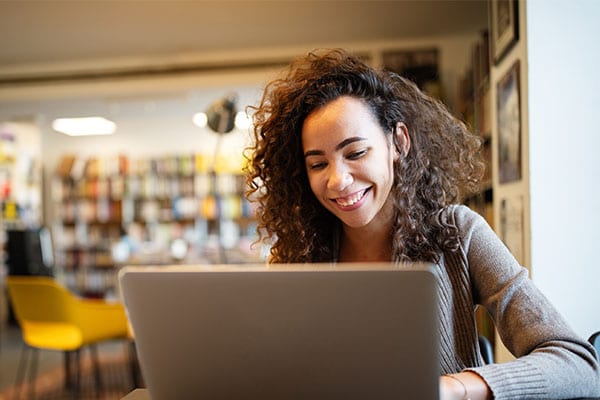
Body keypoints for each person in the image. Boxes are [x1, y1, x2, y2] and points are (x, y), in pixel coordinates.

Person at [244, 48, 600, 399]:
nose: (338, 181)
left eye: (355, 153)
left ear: (398, 142)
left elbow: (578, 364)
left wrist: (455, 388)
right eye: (318, 164)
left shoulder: (459, 233)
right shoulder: (300, 254)